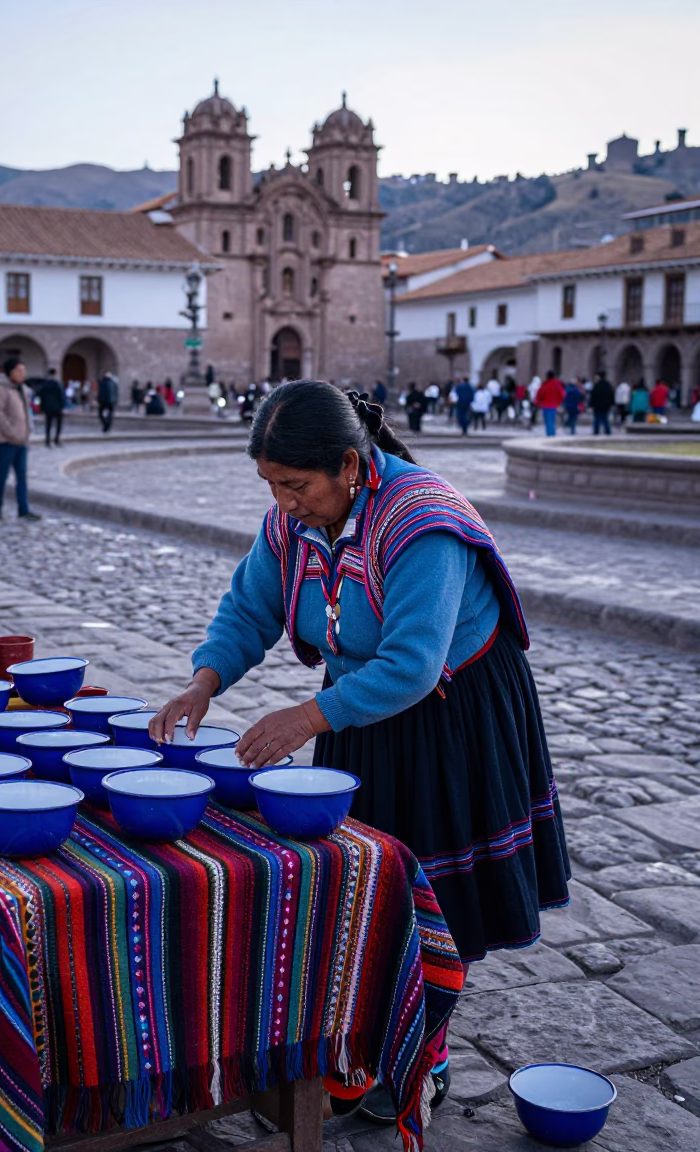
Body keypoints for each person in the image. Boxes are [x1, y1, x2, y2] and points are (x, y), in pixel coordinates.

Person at [150, 381, 570, 1119]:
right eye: (271, 484)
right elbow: (252, 606)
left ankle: (425, 1058)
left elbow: (411, 663)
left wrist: (308, 717)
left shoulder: (420, 520)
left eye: (295, 484)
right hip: (360, 713)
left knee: (437, 888)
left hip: (453, 712)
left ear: (349, 465)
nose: (283, 501)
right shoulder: (293, 525)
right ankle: (360, 1039)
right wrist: (203, 682)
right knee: (365, 880)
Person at [0, 357, 40, 521]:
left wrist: (26, 432)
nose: (22, 374)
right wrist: (10, 432)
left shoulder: (22, 389)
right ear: (10, 372)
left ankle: (23, 510)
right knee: (2, 476)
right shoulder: (1, 389)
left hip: (22, 440)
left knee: (22, 477)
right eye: (19, 371)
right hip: (5, 441)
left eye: (23, 371)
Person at [38, 368, 65, 447]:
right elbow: (61, 396)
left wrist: (42, 407)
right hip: (57, 407)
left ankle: (47, 440)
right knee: (58, 424)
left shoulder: (44, 385)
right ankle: (56, 439)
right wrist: (62, 406)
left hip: (47, 407)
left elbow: (40, 395)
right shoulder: (57, 384)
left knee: (48, 424)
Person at [535, 371, 565, 437]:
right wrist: (559, 402)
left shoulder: (545, 384)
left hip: (545, 405)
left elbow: (539, 394)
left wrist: (538, 402)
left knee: (547, 421)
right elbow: (562, 394)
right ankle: (552, 434)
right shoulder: (557, 384)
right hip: (553, 405)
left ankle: (549, 434)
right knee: (552, 420)